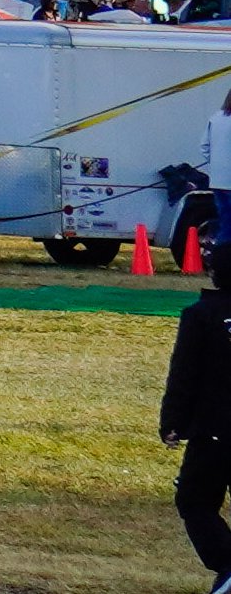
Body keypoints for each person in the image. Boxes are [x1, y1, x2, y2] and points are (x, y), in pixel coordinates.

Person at [165, 220, 231, 584]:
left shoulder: (200, 316)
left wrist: (173, 421)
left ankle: (227, 564)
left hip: (214, 431)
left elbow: (184, 374)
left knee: (196, 501)